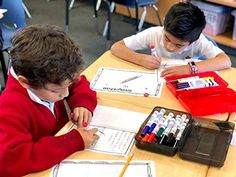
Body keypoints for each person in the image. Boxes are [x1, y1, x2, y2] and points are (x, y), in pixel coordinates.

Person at [0, 24, 99, 176]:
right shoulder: (9, 107)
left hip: (59, 155)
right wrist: (73, 141)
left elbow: (78, 82)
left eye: (68, 86)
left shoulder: (52, 75)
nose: (65, 94)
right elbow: (10, 160)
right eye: (56, 90)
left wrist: (83, 103)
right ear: (25, 82)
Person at [111, 2, 231, 77]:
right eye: (167, 38)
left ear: (192, 41)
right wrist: (140, 59)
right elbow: (116, 47)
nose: (169, 47)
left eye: (178, 45)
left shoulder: (199, 41)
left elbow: (225, 61)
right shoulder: (154, 33)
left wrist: (189, 69)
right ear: (164, 25)